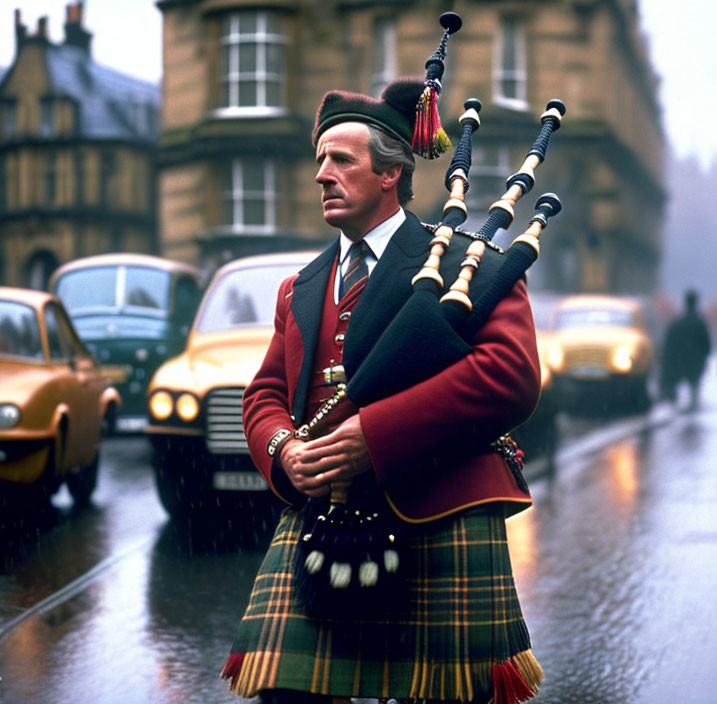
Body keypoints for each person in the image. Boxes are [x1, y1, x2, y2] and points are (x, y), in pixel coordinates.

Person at [220, 77, 545, 703]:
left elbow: (510, 374)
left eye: (340, 159)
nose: (322, 174)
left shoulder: (467, 263)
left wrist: (377, 435)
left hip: (439, 508)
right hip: (323, 517)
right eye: (319, 159)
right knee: (289, 695)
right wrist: (285, 451)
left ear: (390, 173)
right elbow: (262, 395)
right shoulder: (300, 286)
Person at [659, 288, 712, 410]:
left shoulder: (677, 323)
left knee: (676, 388)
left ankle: (676, 409)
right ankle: (693, 407)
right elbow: (707, 345)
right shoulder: (700, 323)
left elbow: (669, 345)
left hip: (679, 362)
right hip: (695, 364)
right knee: (694, 387)